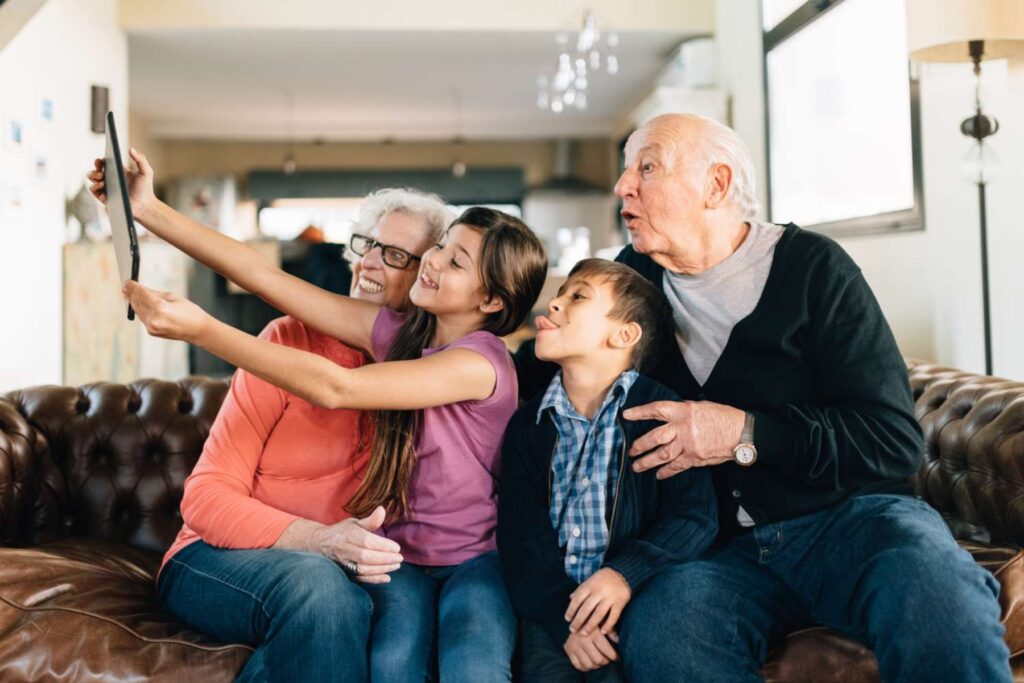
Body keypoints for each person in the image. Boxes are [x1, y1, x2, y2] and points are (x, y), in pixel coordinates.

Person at [91, 149, 549, 683]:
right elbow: (262, 275)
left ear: (489, 298)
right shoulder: (359, 335)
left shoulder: (451, 359)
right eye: (370, 246)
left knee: (413, 639)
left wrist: (201, 330)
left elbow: (339, 387)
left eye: (403, 255)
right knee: (355, 622)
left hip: (443, 562)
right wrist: (147, 209)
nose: (378, 262)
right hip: (282, 561)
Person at [603, 113, 1012, 682]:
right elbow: (551, 372)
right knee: (664, 633)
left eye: (647, 167)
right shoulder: (629, 282)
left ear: (715, 186)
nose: (624, 186)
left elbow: (892, 441)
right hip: (716, 549)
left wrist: (743, 435)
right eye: (626, 171)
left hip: (851, 521)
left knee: (940, 597)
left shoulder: (814, 270)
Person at [497, 258, 718, 682]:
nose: (556, 303)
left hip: (635, 599)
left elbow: (694, 516)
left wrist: (624, 574)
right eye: (560, 295)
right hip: (552, 616)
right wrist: (566, 620)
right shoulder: (528, 425)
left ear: (624, 334)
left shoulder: (661, 413)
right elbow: (520, 534)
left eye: (577, 296)